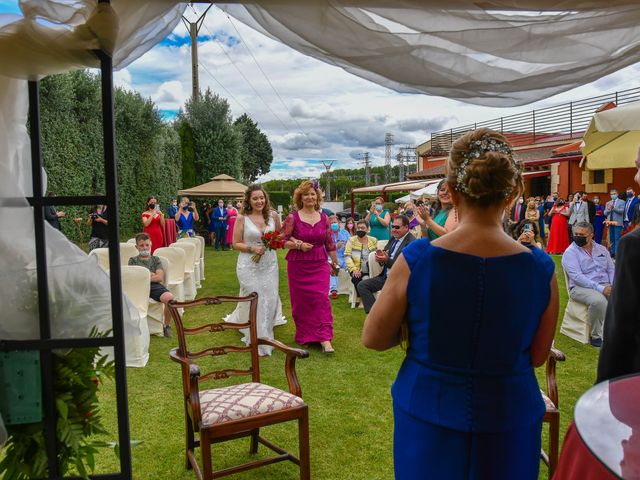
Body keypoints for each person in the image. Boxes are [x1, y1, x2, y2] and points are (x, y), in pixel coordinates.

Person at [362, 128, 558, 480]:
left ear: (451, 192)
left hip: (428, 407)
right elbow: (538, 354)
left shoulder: (417, 259)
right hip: (508, 412)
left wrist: (410, 330)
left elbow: (374, 337)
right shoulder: (541, 268)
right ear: (513, 192)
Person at [225, 185, 286, 356]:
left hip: (269, 264)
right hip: (248, 265)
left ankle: (266, 332)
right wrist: (252, 248)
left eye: (262, 198)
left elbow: (280, 236)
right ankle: (258, 338)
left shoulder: (273, 215)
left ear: (265, 199)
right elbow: (235, 243)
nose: (259, 201)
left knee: (271, 298)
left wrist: (274, 241)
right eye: (255, 198)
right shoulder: (242, 218)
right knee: (256, 297)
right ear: (249, 201)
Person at [281, 180, 339, 353]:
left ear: (318, 197)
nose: (310, 197)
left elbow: (330, 243)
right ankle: (305, 335)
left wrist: (334, 262)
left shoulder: (324, 218)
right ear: (300, 197)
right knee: (301, 302)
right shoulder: (293, 217)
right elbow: (281, 240)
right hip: (298, 264)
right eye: (306, 194)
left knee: (321, 299)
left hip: (319, 262)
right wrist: (298, 245)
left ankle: (325, 338)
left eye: (313, 194)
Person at [597, 149, 640, 381]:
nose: (635, 177)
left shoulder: (634, 245)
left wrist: (602, 389)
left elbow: (619, 331)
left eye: (639, 167)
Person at [561, 222, 615, 348]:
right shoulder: (570, 252)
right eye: (576, 234)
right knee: (599, 301)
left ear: (591, 235)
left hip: (605, 284)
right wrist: (601, 289)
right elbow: (577, 277)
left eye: (582, 234)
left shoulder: (601, 249)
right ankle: (596, 336)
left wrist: (614, 285)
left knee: (626, 295)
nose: (578, 236)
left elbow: (611, 269)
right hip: (580, 288)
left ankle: (618, 331)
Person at [356, 215, 415, 314]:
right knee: (362, 285)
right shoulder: (393, 238)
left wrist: (386, 260)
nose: (394, 229)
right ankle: (374, 314)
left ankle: (377, 316)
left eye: (397, 227)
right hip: (385, 277)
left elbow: (402, 266)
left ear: (406, 227)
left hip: (399, 280)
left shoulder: (411, 242)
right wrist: (380, 256)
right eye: (393, 226)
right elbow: (385, 254)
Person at [128, 232, 174, 337]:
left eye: (147, 245)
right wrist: (151, 274)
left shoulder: (155, 259)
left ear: (151, 244)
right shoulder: (132, 260)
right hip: (137, 288)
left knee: (170, 298)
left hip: (154, 287)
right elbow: (134, 279)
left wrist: (144, 275)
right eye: (141, 245)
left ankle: (166, 325)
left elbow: (159, 277)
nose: (144, 248)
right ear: (136, 247)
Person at [344, 220, 378, 290]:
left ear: (368, 229)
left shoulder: (373, 240)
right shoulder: (351, 240)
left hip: (371, 269)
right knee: (356, 278)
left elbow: (376, 255)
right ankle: (362, 297)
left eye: (362, 228)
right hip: (357, 268)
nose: (360, 230)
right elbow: (347, 256)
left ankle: (367, 296)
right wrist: (354, 269)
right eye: (358, 228)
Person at [328, 215, 350, 299]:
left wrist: (346, 245)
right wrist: (336, 247)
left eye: (335, 222)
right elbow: (326, 250)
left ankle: (353, 289)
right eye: (332, 223)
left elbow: (351, 244)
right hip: (333, 257)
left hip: (345, 257)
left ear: (339, 223)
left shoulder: (345, 232)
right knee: (334, 266)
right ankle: (334, 290)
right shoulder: (327, 235)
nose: (334, 224)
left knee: (351, 267)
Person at [603, 189, 625, 257]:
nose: (613, 195)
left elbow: (621, 211)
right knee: (611, 238)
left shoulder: (622, 202)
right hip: (610, 223)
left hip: (618, 223)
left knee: (617, 238)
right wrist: (609, 209)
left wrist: (613, 208)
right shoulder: (608, 202)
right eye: (611, 194)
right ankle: (612, 252)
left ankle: (617, 253)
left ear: (617, 194)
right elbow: (605, 213)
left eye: (614, 194)